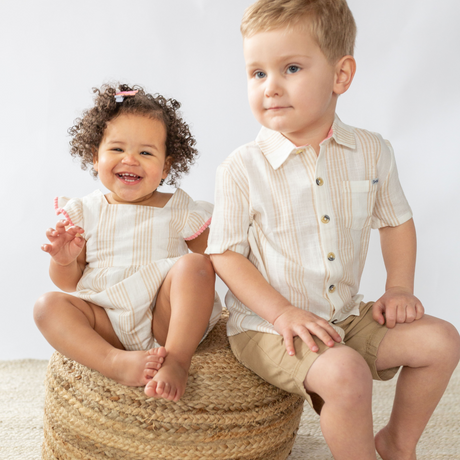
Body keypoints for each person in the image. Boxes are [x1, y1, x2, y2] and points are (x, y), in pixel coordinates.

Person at [206, 1, 460, 459]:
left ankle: (398, 443)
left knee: (441, 341)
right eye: (257, 73)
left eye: (291, 68)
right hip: (265, 328)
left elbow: (396, 220)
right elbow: (224, 254)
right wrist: (283, 313)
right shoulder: (242, 167)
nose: (270, 87)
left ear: (341, 76)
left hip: (344, 315)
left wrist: (399, 287)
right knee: (345, 372)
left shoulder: (371, 151)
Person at [34, 84, 222, 402]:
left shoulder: (181, 208)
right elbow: (68, 284)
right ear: (95, 157)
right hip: (104, 320)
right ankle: (113, 361)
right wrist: (65, 259)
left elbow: (218, 262)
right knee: (46, 306)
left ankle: (176, 359)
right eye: (117, 149)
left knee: (195, 265)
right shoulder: (83, 211)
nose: (130, 160)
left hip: (165, 319)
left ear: (165, 166)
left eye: (146, 152)